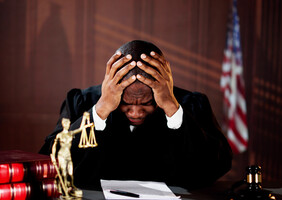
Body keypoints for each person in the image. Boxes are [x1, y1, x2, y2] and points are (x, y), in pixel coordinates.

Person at [40, 40, 232, 190]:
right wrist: (100, 111)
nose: (135, 112)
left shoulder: (192, 104)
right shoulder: (80, 102)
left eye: (147, 103)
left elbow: (218, 165)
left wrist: (172, 109)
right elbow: (50, 161)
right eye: (125, 103)